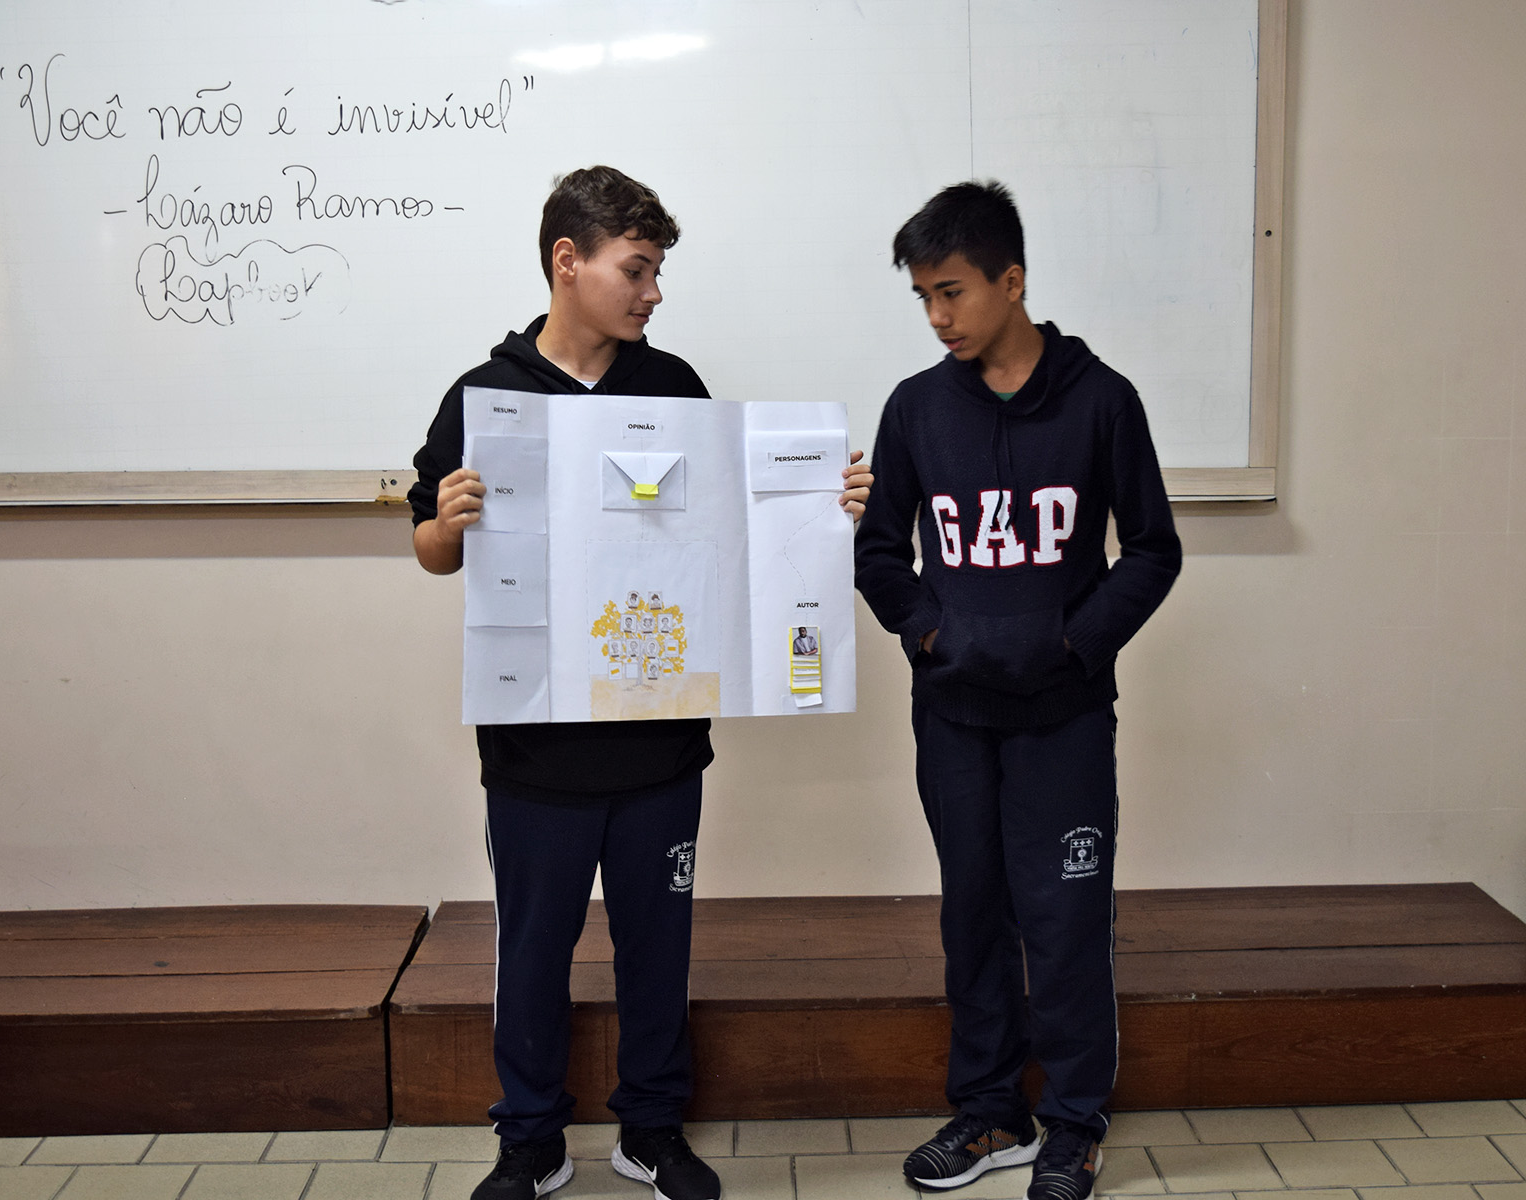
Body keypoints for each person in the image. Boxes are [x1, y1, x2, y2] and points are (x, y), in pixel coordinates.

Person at [410, 165, 871, 1200]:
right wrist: (447, 523)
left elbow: (730, 540)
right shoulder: (487, 394)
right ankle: (530, 1140)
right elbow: (432, 553)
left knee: (657, 947)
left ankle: (651, 1131)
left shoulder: (672, 388)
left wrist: (823, 502)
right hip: (533, 749)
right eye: (637, 269)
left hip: (660, 743)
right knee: (533, 950)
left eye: (657, 271)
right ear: (567, 262)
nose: (653, 292)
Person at [854, 180, 1181, 1199]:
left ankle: (1074, 1125)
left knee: (1066, 918)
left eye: (951, 291)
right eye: (922, 297)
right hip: (954, 717)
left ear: (1012, 279)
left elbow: (1153, 551)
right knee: (973, 915)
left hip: (1063, 717)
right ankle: (991, 1113)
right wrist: (930, 634)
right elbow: (879, 554)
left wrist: (1075, 645)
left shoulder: (1101, 400)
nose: (937, 315)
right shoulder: (914, 408)